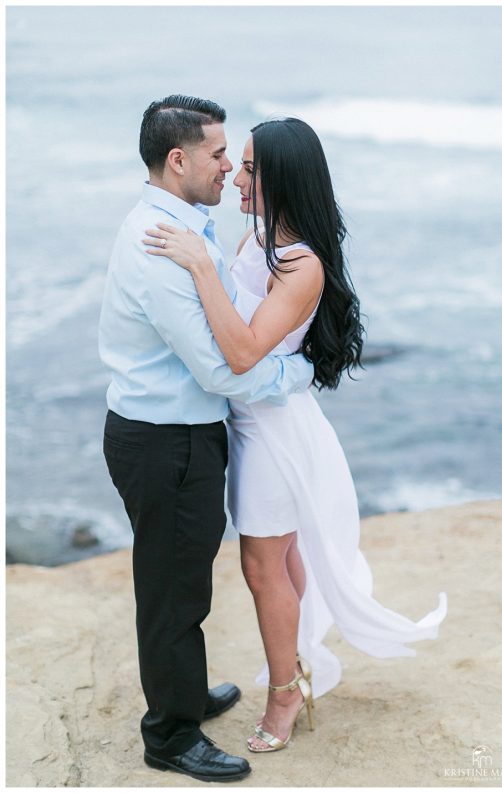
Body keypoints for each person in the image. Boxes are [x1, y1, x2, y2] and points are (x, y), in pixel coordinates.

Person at [143, 117, 448, 753]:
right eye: (239, 163)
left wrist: (199, 264)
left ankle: (285, 691)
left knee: (262, 566)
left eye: (251, 167)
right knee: (281, 559)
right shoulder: (259, 240)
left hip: (274, 435)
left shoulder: (299, 261)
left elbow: (245, 350)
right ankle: (300, 659)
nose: (236, 176)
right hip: (255, 423)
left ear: (285, 178)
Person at [99, 96, 315, 782]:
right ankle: (170, 733)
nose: (230, 167)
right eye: (220, 155)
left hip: (179, 433)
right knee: (172, 591)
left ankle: (184, 693)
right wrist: (303, 368)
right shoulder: (163, 244)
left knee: (184, 579)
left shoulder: (182, 222)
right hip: (167, 441)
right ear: (178, 160)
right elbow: (223, 367)